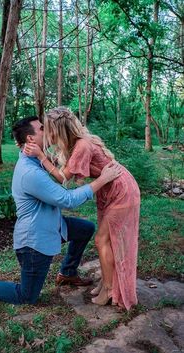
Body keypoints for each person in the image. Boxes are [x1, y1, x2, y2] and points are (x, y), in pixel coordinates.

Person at [0, 116, 122, 317]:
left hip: (52, 226)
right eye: (42, 128)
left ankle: (67, 273)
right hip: (34, 242)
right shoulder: (30, 173)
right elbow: (67, 199)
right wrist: (102, 180)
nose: (48, 130)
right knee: (27, 296)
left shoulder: (35, 158)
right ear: (30, 139)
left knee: (85, 229)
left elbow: (61, 169)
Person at [24, 108, 140, 310]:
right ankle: (106, 283)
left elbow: (62, 178)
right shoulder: (79, 142)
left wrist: (41, 156)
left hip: (121, 190)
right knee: (108, 239)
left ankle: (109, 291)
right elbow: (63, 169)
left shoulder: (82, 146)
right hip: (109, 189)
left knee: (101, 239)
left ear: (59, 129)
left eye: (50, 130)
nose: (48, 134)